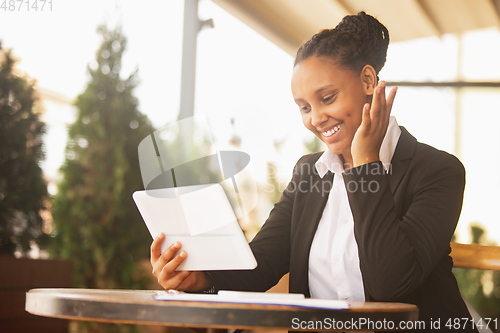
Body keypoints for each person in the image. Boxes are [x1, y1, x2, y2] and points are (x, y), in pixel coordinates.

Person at [150, 12, 477, 332]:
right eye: (304, 107)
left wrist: (366, 165)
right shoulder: (310, 174)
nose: (315, 119)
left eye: (327, 98)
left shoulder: (437, 171)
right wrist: (201, 279)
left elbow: (392, 283)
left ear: (367, 80)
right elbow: (261, 264)